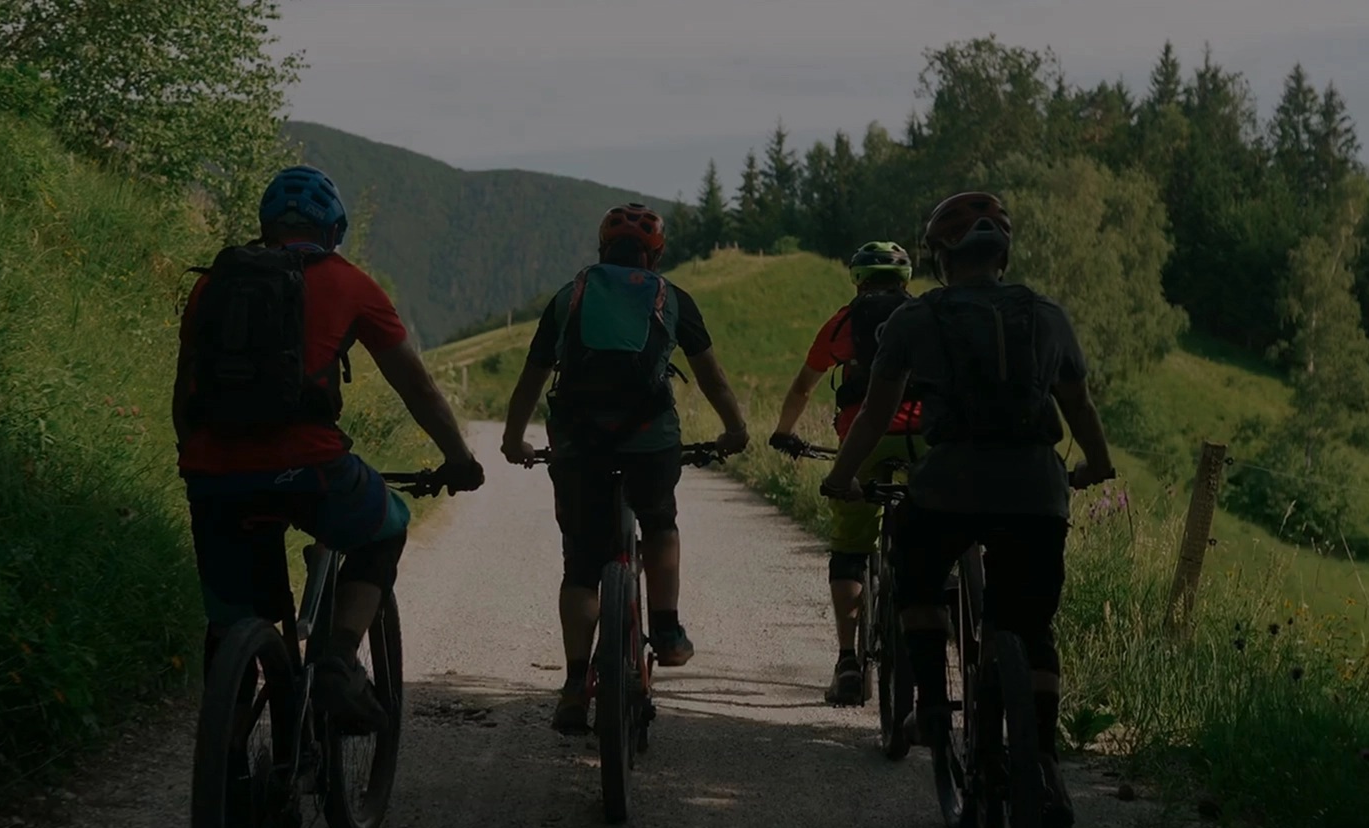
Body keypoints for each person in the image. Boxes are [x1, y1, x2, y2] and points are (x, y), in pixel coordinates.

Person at [818, 192, 1116, 828]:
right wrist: (1096, 464)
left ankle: (929, 702)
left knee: (917, 573)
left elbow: (873, 415)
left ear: (940, 257)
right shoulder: (1048, 316)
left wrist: (841, 476)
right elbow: (1081, 411)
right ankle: (1041, 764)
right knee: (1032, 629)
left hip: (950, 483)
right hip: (1037, 488)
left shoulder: (916, 320)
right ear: (1004, 253)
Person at [174, 165, 485, 734]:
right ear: (334, 229)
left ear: (266, 225)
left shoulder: (212, 283)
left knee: (236, 619)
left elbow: (185, 389)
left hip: (213, 476)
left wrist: (196, 462)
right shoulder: (350, 283)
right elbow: (416, 385)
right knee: (386, 525)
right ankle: (339, 659)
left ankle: (228, 755)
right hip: (311, 471)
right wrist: (458, 459)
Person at [499, 203, 750, 735]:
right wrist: (735, 429)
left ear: (601, 249)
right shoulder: (673, 298)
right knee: (659, 521)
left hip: (578, 443)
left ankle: (572, 686)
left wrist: (512, 438)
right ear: (654, 255)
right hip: (649, 439)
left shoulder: (570, 296)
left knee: (581, 564)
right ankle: (666, 629)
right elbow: (713, 377)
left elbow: (533, 374)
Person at [768, 241, 928, 706]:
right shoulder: (926, 317)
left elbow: (803, 385)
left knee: (850, 547)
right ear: (905, 280)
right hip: (930, 435)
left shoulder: (844, 321)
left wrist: (784, 432)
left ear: (858, 280)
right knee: (938, 531)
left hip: (866, 439)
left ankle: (848, 664)